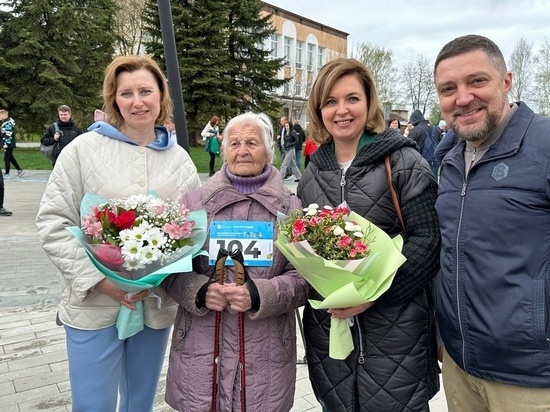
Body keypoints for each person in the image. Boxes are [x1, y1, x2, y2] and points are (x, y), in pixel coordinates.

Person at [35, 55, 201, 412]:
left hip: (151, 303)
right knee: (92, 405)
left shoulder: (180, 160)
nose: (137, 101)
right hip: (93, 304)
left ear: (161, 96)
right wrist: (99, 280)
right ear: (113, 99)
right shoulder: (82, 150)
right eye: (126, 93)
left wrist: (157, 277)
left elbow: (191, 228)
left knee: (139, 403)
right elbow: (53, 221)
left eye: (146, 91)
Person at [297, 57, 440, 411]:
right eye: (330, 102)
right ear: (319, 110)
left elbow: (428, 242)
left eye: (352, 99)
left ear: (369, 102)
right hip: (330, 337)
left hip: (397, 336)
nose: (341, 110)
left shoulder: (404, 162)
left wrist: (375, 295)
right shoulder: (312, 173)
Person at [162, 112, 309, 411]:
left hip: (265, 352)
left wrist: (259, 294)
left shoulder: (291, 208)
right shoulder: (191, 203)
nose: (242, 150)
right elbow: (168, 271)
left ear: (269, 150)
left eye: (252, 142)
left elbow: (305, 278)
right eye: (235, 142)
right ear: (224, 148)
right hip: (200, 349)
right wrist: (200, 291)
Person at [434, 34, 550, 412]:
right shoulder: (450, 159)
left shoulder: (544, 144)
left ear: (506, 81)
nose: (463, 97)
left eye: (477, 81)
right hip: (459, 365)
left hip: (529, 378)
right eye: (448, 88)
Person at [1, 109, 24, 178]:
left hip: (9, 143)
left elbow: (8, 134)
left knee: (7, 158)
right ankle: (19, 170)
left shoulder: (7, 123)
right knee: (10, 157)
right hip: (9, 143)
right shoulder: (5, 122)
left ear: (3, 115)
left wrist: (6, 144)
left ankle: (7, 173)